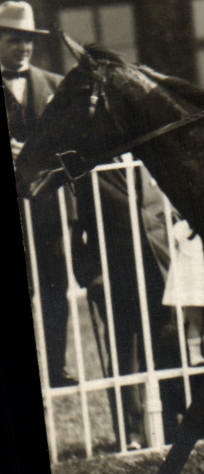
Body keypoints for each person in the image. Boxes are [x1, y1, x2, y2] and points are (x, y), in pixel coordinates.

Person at [3, 1, 74, 387]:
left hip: (48, 207)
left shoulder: (55, 85)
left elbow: (73, 142)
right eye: (14, 39)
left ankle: (56, 367)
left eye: (28, 40)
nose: (24, 47)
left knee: (54, 286)